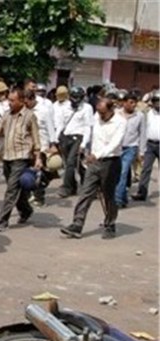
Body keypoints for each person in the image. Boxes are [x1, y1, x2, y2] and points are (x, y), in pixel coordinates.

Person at [60, 96, 126, 240]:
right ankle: (77, 224)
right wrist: (84, 146)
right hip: (93, 162)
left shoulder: (120, 122)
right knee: (85, 193)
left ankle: (110, 224)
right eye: (99, 112)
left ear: (111, 110)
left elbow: (114, 143)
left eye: (103, 113)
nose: (100, 116)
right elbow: (89, 130)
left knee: (108, 196)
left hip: (111, 162)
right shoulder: (96, 117)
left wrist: (97, 154)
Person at [0, 88, 42, 232]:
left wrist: (37, 158)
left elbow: (36, 138)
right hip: (7, 156)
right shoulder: (7, 115)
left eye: (12, 101)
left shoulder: (30, 116)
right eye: (8, 100)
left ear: (22, 101)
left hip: (22, 157)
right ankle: (26, 210)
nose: (9, 104)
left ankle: (2, 220)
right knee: (17, 189)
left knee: (11, 189)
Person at [56, 85, 93, 198]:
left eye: (78, 97)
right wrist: (56, 139)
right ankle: (85, 184)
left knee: (71, 162)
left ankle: (66, 188)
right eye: (73, 97)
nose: (75, 99)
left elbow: (88, 127)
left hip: (79, 137)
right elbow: (60, 124)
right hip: (66, 137)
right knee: (71, 164)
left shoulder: (87, 108)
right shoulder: (65, 108)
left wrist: (83, 144)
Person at [23, 89, 57, 206]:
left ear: (33, 99)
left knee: (39, 173)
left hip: (42, 145)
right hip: (27, 146)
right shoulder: (24, 111)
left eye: (27, 102)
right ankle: (28, 194)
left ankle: (39, 197)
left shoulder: (44, 111)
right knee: (27, 171)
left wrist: (53, 144)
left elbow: (50, 127)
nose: (25, 105)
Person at [114, 90, 144, 207]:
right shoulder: (116, 113)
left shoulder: (140, 116)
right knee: (116, 173)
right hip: (116, 147)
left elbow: (142, 133)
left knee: (123, 172)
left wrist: (141, 151)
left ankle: (117, 200)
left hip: (130, 148)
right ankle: (123, 197)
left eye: (135, 103)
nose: (133, 105)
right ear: (124, 102)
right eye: (131, 102)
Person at [133, 92, 159, 202]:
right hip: (150, 144)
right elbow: (142, 130)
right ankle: (141, 192)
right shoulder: (147, 113)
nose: (158, 104)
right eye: (157, 102)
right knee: (146, 169)